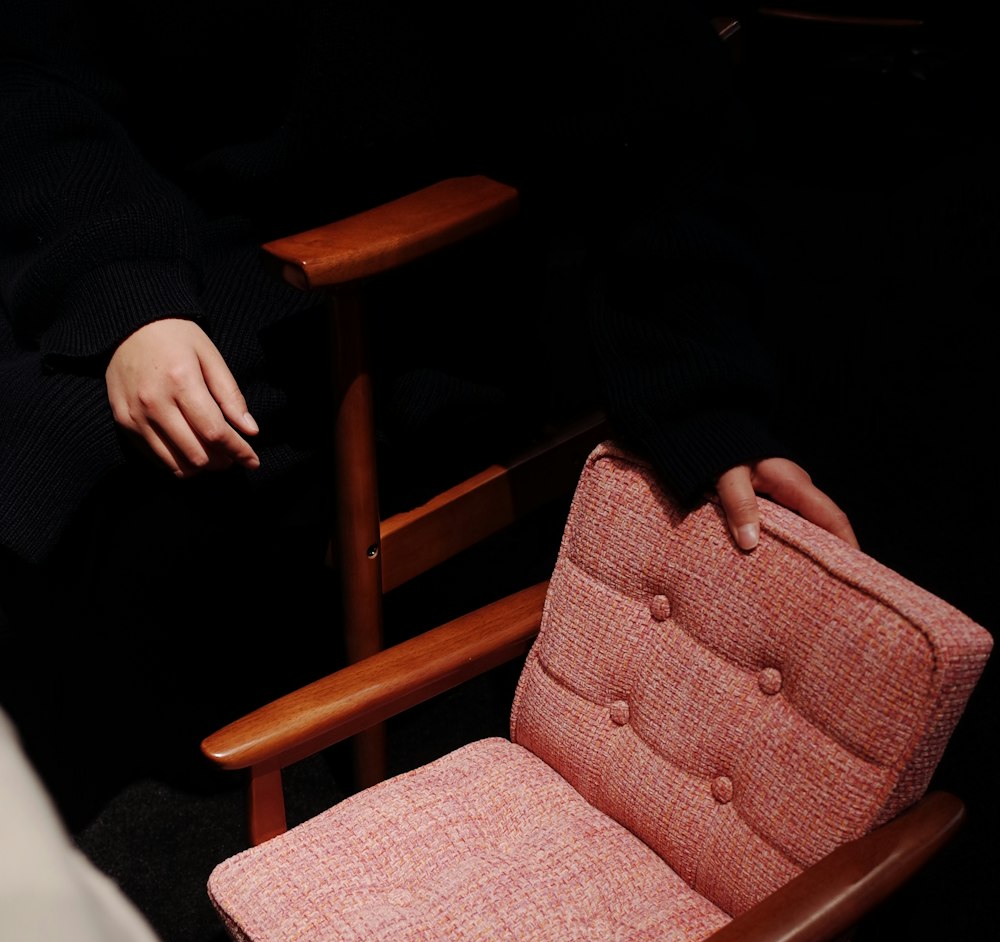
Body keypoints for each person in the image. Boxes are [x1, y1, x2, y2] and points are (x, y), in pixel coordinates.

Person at [0, 2, 856, 814]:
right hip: (155, 214)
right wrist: (122, 293)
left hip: (400, 287)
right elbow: (38, 67)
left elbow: (669, 121)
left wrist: (705, 401)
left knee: (51, 432)